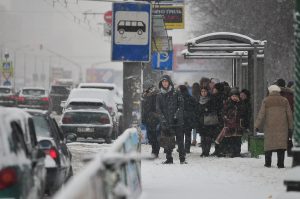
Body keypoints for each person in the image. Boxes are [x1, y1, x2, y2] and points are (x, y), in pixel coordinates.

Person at [255, 85, 293, 168]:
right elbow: (289, 115)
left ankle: (268, 163)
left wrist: (257, 125)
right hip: (282, 127)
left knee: (269, 145)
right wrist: (290, 127)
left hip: (269, 127)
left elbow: (261, 114)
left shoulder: (266, 100)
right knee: (281, 146)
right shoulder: (284, 100)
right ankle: (280, 163)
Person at [156, 75, 186, 164]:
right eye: (163, 82)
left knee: (180, 140)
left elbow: (181, 106)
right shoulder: (159, 95)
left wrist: (177, 115)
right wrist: (163, 119)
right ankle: (169, 158)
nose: (165, 83)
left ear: (169, 82)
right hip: (166, 122)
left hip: (177, 122)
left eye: (166, 81)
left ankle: (182, 158)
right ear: (161, 83)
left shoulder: (176, 92)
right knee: (167, 140)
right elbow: (158, 109)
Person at [215, 88, 244, 157]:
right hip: (229, 124)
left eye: (236, 96)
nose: (234, 98)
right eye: (233, 96)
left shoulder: (240, 103)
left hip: (237, 124)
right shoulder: (227, 103)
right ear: (230, 96)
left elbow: (243, 112)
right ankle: (230, 151)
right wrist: (226, 118)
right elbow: (223, 112)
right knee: (229, 138)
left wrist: (239, 104)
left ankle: (237, 152)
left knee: (237, 139)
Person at [197, 87, 219, 156]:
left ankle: (207, 151)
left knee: (208, 137)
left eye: (205, 91)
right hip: (201, 121)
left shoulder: (211, 100)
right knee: (202, 137)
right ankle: (203, 151)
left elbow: (213, 109)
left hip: (209, 121)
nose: (203, 93)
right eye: (202, 91)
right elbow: (196, 110)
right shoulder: (198, 100)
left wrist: (207, 110)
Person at [141, 79, 160, 157]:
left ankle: (155, 151)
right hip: (147, 117)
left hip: (153, 118)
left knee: (154, 136)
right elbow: (144, 107)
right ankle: (154, 150)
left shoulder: (155, 95)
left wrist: (155, 114)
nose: (144, 89)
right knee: (150, 136)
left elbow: (156, 106)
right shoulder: (145, 95)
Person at [178, 85, 198, 153]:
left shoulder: (179, 97)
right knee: (188, 134)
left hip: (181, 118)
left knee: (180, 134)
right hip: (189, 119)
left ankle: (181, 148)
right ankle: (187, 148)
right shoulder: (191, 97)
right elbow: (195, 107)